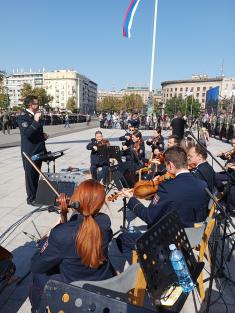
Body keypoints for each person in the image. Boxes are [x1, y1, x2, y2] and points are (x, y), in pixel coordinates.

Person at [29, 179, 114, 312]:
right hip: (102, 281)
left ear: (76, 200)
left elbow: (37, 266)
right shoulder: (105, 227)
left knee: (38, 276)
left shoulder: (61, 234)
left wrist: (47, 239)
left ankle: (37, 309)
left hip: (74, 290)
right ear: (101, 203)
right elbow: (82, 232)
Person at [117, 146, 209, 262]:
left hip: (166, 241)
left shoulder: (166, 188)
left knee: (122, 239)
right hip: (189, 239)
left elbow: (148, 217)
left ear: (171, 165)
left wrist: (131, 200)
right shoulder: (202, 184)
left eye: (165, 165)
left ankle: (143, 273)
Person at [17, 96, 48, 205]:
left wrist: (43, 135)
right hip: (29, 151)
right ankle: (31, 198)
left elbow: (36, 133)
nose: (38, 104)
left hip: (38, 150)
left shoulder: (36, 115)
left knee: (36, 174)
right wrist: (35, 121)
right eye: (36, 103)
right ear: (30, 105)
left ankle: (36, 195)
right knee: (30, 175)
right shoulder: (22, 117)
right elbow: (27, 134)